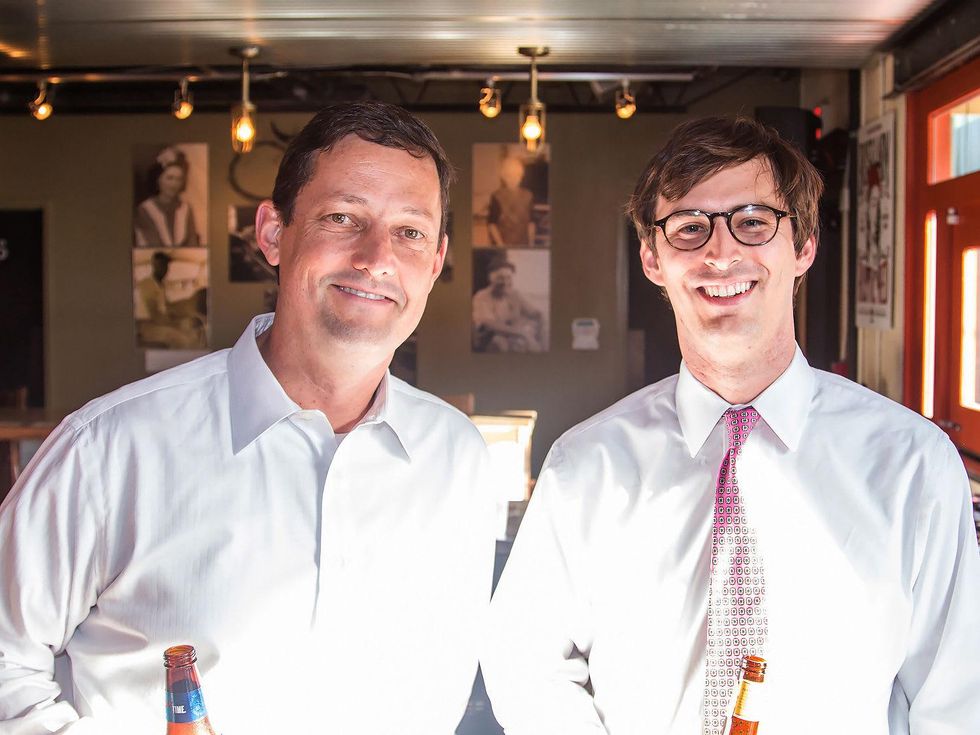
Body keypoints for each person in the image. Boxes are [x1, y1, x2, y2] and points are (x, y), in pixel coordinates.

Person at [0, 102, 495, 735]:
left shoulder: (458, 458)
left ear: (436, 260)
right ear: (272, 234)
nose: (377, 257)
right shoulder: (111, 447)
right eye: (342, 218)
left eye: (410, 232)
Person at [481, 116, 980, 734]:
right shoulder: (586, 464)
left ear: (802, 248)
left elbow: (956, 698)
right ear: (653, 258)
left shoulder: (912, 463)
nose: (721, 253)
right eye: (689, 228)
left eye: (752, 223)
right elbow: (527, 664)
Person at [135, 250, 205, 349]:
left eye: (166, 265)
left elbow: (166, 307)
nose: (165, 269)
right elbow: (154, 314)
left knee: (192, 330)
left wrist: (185, 316)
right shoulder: (147, 284)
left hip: (158, 322)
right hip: (146, 325)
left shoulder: (161, 285)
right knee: (180, 339)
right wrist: (175, 324)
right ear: (154, 265)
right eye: (161, 265)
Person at [134, 146, 201, 247]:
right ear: (158, 180)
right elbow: (149, 245)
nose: (174, 184)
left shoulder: (186, 208)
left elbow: (193, 244)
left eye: (179, 179)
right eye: (170, 178)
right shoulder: (145, 209)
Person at [472, 258, 544, 352]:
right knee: (499, 343)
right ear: (490, 278)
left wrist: (537, 333)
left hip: (513, 338)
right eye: (500, 278)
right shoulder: (481, 297)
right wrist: (523, 334)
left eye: (508, 277)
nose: (505, 282)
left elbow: (536, 314)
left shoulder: (515, 294)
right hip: (489, 343)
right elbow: (490, 325)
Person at [487, 156, 536, 246]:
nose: (513, 179)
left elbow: (531, 223)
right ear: (503, 177)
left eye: (516, 175)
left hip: (523, 243)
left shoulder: (528, 195)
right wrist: (500, 245)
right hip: (503, 243)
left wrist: (531, 244)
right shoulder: (496, 196)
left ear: (521, 176)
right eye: (509, 175)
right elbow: (492, 224)